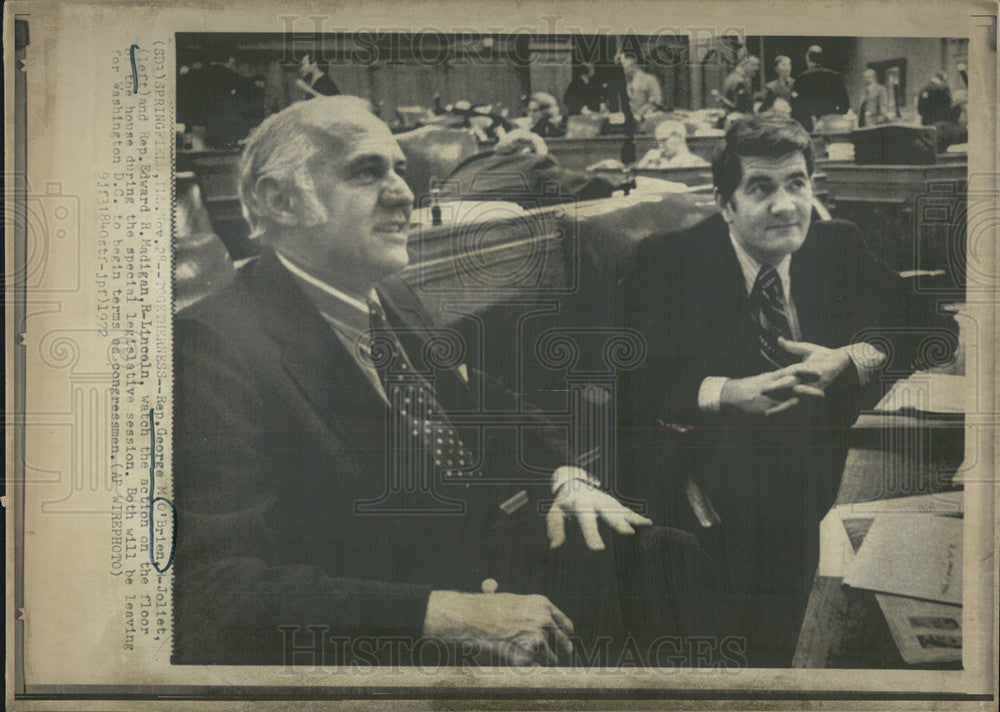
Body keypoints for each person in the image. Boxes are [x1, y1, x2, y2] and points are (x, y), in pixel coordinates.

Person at [172, 96, 713, 667]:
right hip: (385, 639)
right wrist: (439, 614)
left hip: (492, 565)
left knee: (664, 555)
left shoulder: (389, 295)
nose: (405, 193)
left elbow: (487, 399)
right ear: (280, 200)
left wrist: (565, 476)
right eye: (365, 171)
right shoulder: (210, 347)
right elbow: (213, 592)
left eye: (401, 170)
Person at [620, 115, 958, 666]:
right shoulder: (670, 261)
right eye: (761, 188)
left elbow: (932, 328)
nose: (785, 205)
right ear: (725, 203)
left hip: (836, 453)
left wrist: (850, 358)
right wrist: (728, 390)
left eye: (796, 184)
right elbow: (626, 379)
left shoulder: (836, 243)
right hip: (730, 476)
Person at [790, 45, 849, 131]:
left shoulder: (801, 78)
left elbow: (796, 105)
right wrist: (835, 115)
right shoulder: (834, 76)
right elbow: (845, 104)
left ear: (808, 59)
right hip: (830, 124)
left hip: (809, 125)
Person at [635, 120, 709, 169]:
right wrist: (645, 161)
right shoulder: (655, 160)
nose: (660, 145)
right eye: (659, 141)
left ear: (678, 138)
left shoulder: (695, 162)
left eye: (664, 140)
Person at [617, 52, 663, 120]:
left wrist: (641, 112)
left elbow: (657, 101)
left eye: (623, 63)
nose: (621, 67)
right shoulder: (624, 82)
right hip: (628, 120)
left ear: (632, 62)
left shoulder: (649, 79)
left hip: (647, 119)